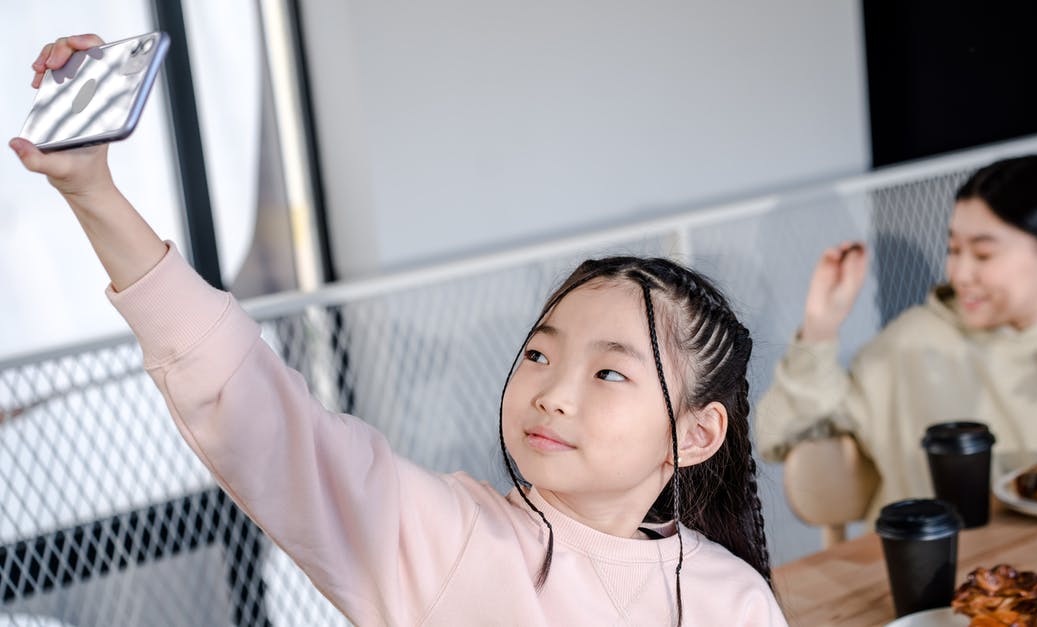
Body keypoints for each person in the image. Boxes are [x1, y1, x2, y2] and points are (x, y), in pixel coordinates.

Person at [12, 34, 785, 627]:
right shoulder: (443, 535)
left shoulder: (733, 598)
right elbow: (256, 410)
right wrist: (94, 194)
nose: (550, 392)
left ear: (694, 432)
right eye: (540, 352)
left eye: (608, 372)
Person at [756, 153, 1037, 523]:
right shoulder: (909, 342)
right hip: (921, 587)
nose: (960, 273)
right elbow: (778, 435)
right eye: (953, 249)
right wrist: (819, 327)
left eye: (983, 253)